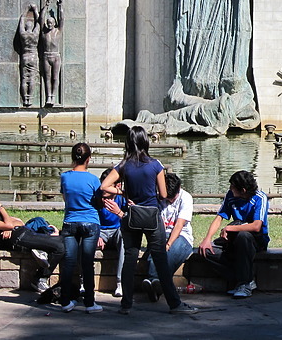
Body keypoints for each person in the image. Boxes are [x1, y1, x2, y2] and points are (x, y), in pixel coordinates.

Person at [100, 126, 197, 315]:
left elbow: (104, 185)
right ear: (146, 141)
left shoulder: (124, 165)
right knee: (160, 260)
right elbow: (162, 193)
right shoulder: (155, 165)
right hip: (152, 217)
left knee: (129, 258)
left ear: (128, 142)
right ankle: (174, 304)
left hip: (131, 216)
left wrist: (123, 191)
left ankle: (126, 304)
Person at [0, 188, 65, 292]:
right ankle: (40, 279)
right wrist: (1, 209)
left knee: (63, 241)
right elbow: (9, 224)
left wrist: (8, 226)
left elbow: (19, 222)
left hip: (25, 232)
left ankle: (41, 252)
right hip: (19, 239)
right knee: (60, 246)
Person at [198, 170, 269, 298]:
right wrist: (207, 239)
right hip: (233, 240)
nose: (230, 189)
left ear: (243, 190)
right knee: (206, 251)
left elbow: (256, 226)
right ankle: (244, 279)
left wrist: (230, 229)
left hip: (255, 240)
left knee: (243, 236)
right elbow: (219, 217)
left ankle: (244, 284)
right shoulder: (230, 196)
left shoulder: (260, 198)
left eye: (233, 187)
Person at [59, 143, 102, 314]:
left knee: (69, 262)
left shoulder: (65, 177)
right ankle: (90, 303)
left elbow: (65, 197)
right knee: (87, 263)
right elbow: (98, 203)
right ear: (89, 159)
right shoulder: (93, 179)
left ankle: (65, 300)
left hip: (70, 222)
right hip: (90, 222)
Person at [142, 172, 193, 302]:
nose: (169, 200)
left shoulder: (186, 198)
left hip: (182, 236)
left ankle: (153, 280)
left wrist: (168, 244)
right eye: (167, 197)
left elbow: (179, 225)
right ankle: (156, 284)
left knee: (168, 254)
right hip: (161, 235)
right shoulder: (158, 197)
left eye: (172, 198)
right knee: (156, 250)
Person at [97, 168, 126, 298]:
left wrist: (119, 212)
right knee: (86, 240)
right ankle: (83, 282)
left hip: (116, 231)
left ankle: (120, 282)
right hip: (100, 231)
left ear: (117, 186)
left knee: (124, 239)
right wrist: (96, 233)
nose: (104, 191)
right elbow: (90, 219)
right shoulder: (96, 198)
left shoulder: (122, 198)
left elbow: (129, 220)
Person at [39, 0, 63, 107]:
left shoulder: (58, 31)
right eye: (48, 23)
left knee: (55, 77)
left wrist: (60, 6)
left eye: (51, 22)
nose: (49, 24)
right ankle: (48, 96)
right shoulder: (44, 32)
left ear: (54, 23)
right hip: (46, 56)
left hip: (56, 56)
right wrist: (46, 5)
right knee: (47, 77)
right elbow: (41, 18)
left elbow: (62, 19)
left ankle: (53, 96)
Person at [17, 4, 40, 107]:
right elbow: (39, 22)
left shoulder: (23, 34)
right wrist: (35, 10)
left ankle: (24, 98)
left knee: (24, 78)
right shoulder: (35, 35)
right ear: (32, 27)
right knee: (32, 79)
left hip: (25, 56)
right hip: (34, 56)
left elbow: (22, 19)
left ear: (26, 27)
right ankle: (30, 99)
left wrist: (26, 9)